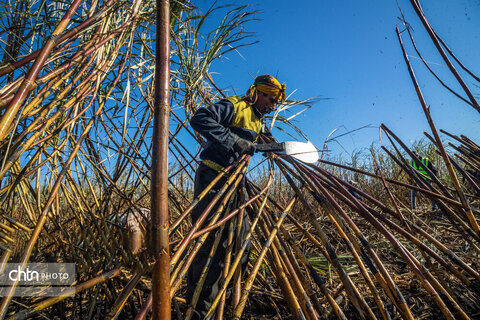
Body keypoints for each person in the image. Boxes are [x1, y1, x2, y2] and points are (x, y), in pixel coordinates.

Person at [187, 74, 286, 319]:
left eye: (275, 102)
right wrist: (234, 141)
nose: (272, 106)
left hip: (235, 182)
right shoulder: (235, 106)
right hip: (214, 177)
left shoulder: (257, 120)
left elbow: (258, 137)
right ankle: (200, 312)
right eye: (270, 99)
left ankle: (225, 301)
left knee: (241, 243)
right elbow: (200, 118)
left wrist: (272, 145)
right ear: (257, 93)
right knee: (212, 245)